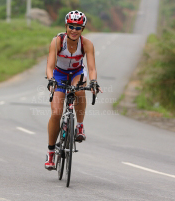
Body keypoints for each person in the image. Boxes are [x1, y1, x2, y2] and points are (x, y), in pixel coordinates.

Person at [45, 10, 102, 170]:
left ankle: (80, 125)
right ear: (66, 26)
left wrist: (94, 82)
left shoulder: (86, 44)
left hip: (77, 73)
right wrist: (51, 80)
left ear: (82, 29)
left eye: (78, 27)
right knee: (56, 113)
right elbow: (50, 66)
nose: (74, 30)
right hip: (59, 74)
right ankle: (50, 153)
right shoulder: (57, 41)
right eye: (71, 26)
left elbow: (91, 68)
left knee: (79, 90)